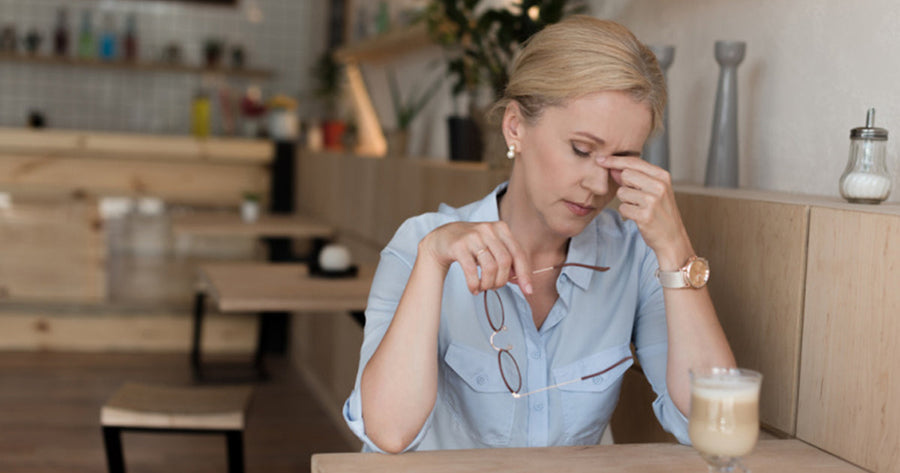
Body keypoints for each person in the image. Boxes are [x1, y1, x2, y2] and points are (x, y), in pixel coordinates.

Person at [343, 15, 735, 453]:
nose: (598, 185)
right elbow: (388, 433)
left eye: (622, 159)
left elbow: (714, 426)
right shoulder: (421, 244)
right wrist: (434, 261)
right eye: (582, 150)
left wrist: (675, 247)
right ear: (516, 127)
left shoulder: (636, 256)